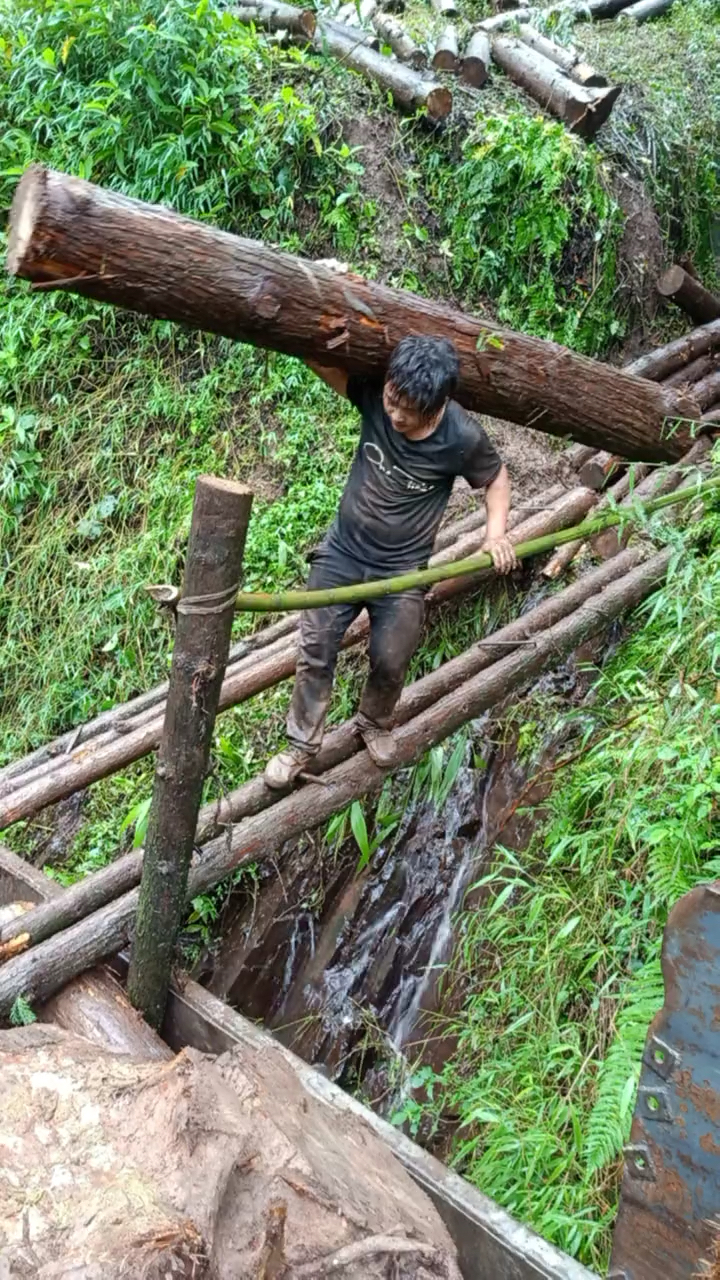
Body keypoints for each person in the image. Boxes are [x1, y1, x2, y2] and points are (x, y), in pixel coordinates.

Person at [264, 335, 515, 790]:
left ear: (436, 407)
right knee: (316, 646)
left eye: (407, 410)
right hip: (342, 553)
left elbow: (496, 479)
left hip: (401, 569)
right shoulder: (375, 394)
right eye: (391, 401)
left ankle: (373, 722)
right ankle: (300, 745)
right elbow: (319, 359)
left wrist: (494, 535)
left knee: (391, 656)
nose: (395, 414)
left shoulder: (460, 436)